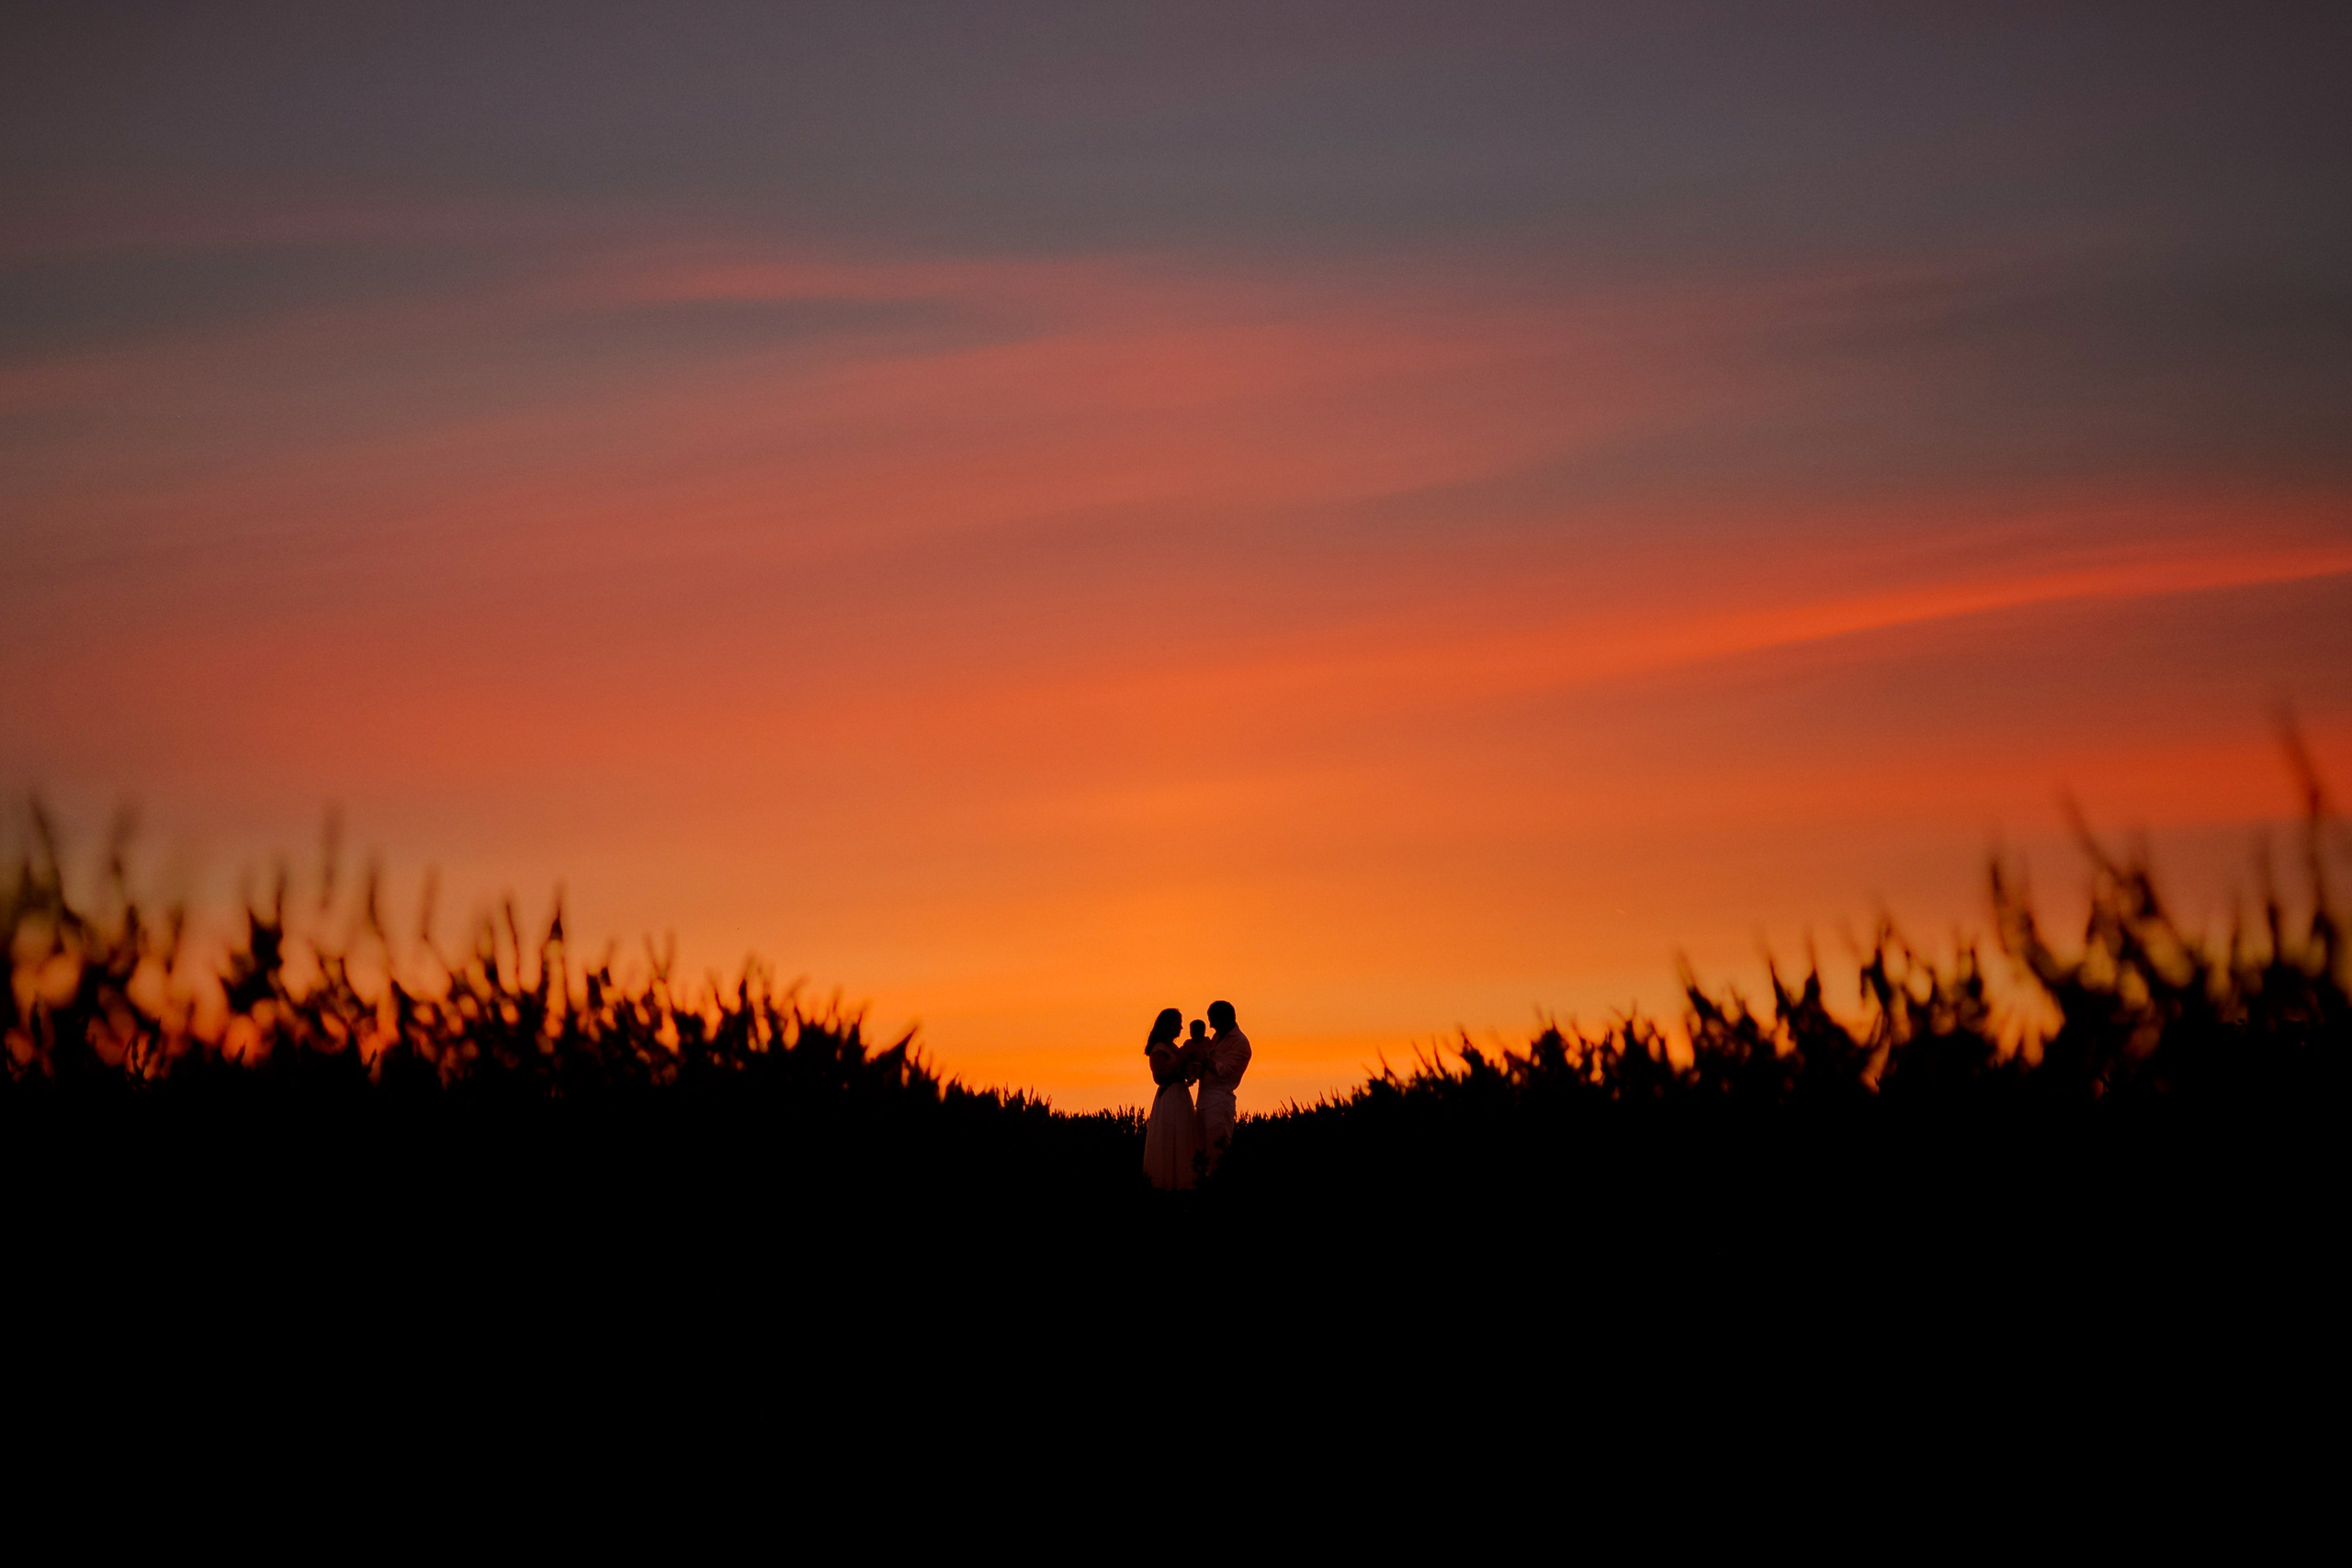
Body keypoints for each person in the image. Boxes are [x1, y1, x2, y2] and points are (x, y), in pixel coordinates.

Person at [1141, 1007, 1204, 1190]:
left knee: (1183, 1137)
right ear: (1168, 1025)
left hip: (1181, 1096)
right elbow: (1159, 1076)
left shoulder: (1174, 1048)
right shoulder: (1159, 1049)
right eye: (1178, 1023)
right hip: (1170, 1098)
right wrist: (1182, 1058)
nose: (1181, 1027)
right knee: (1170, 1137)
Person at [1195, 999, 1250, 1175]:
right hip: (1203, 1101)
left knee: (1216, 1153)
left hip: (1220, 1103)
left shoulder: (1240, 1043)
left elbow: (1226, 1071)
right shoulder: (1217, 1037)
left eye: (1213, 1020)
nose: (1211, 1026)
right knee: (1200, 1153)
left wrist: (1204, 1060)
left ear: (1224, 1019)